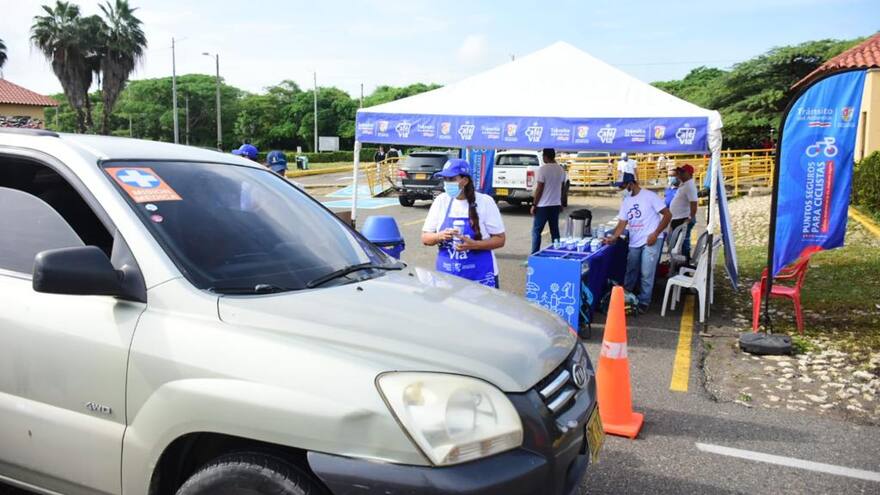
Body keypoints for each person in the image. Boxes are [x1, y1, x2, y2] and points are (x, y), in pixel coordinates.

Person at [422, 159, 506, 288]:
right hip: (447, 276)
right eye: (445, 179)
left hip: (480, 275)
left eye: (451, 179)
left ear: (465, 181)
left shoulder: (485, 202)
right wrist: (439, 236)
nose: (447, 183)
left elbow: (500, 240)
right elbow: (425, 238)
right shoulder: (441, 201)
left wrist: (475, 245)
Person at [604, 175, 672, 312]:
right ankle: (627, 297)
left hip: (651, 239)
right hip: (634, 241)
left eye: (622, 187)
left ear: (630, 184)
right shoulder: (626, 201)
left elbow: (667, 215)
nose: (620, 190)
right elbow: (622, 223)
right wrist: (614, 237)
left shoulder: (649, 196)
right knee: (631, 270)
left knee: (646, 273)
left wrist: (656, 234)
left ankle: (644, 302)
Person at [530, 148, 567, 254]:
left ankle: (535, 254)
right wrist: (561, 202)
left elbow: (539, 189)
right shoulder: (561, 169)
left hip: (543, 206)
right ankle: (557, 253)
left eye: (543, 156)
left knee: (537, 231)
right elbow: (563, 188)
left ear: (546, 156)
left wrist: (534, 204)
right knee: (555, 231)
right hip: (555, 205)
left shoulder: (543, 169)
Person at [669, 164, 699, 260]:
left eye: (682, 172)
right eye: (679, 172)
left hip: (683, 218)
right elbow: (673, 173)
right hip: (678, 217)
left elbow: (694, 204)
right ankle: (680, 263)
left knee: (682, 243)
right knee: (678, 242)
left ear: (688, 174)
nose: (679, 174)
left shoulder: (689, 186)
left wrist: (690, 218)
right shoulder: (685, 183)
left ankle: (684, 263)